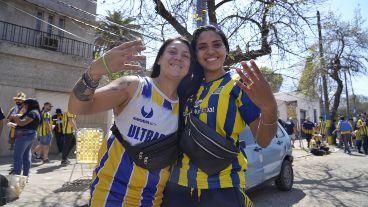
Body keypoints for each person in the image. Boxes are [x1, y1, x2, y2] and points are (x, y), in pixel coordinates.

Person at [162, 25, 277, 207]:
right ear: (195, 53)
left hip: (223, 188)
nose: (210, 51)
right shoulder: (186, 88)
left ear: (226, 49)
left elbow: (263, 140)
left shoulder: (239, 87)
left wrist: (270, 108)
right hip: (178, 188)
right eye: (202, 47)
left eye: (217, 45)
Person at [68, 38, 191, 206]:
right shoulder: (134, 86)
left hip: (153, 200)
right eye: (172, 52)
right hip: (110, 196)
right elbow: (78, 108)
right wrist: (95, 71)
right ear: (159, 59)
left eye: (186, 55)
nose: (178, 58)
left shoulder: (186, 108)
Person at [8, 98, 41, 177]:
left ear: (29, 105)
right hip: (28, 135)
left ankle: (17, 176)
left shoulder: (32, 113)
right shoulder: (34, 112)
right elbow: (26, 125)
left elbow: (22, 123)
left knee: (17, 156)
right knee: (26, 156)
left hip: (24, 136)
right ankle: (25, 176)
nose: (24, 106)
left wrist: (15, 117)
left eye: (25, 105)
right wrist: (16, 124)